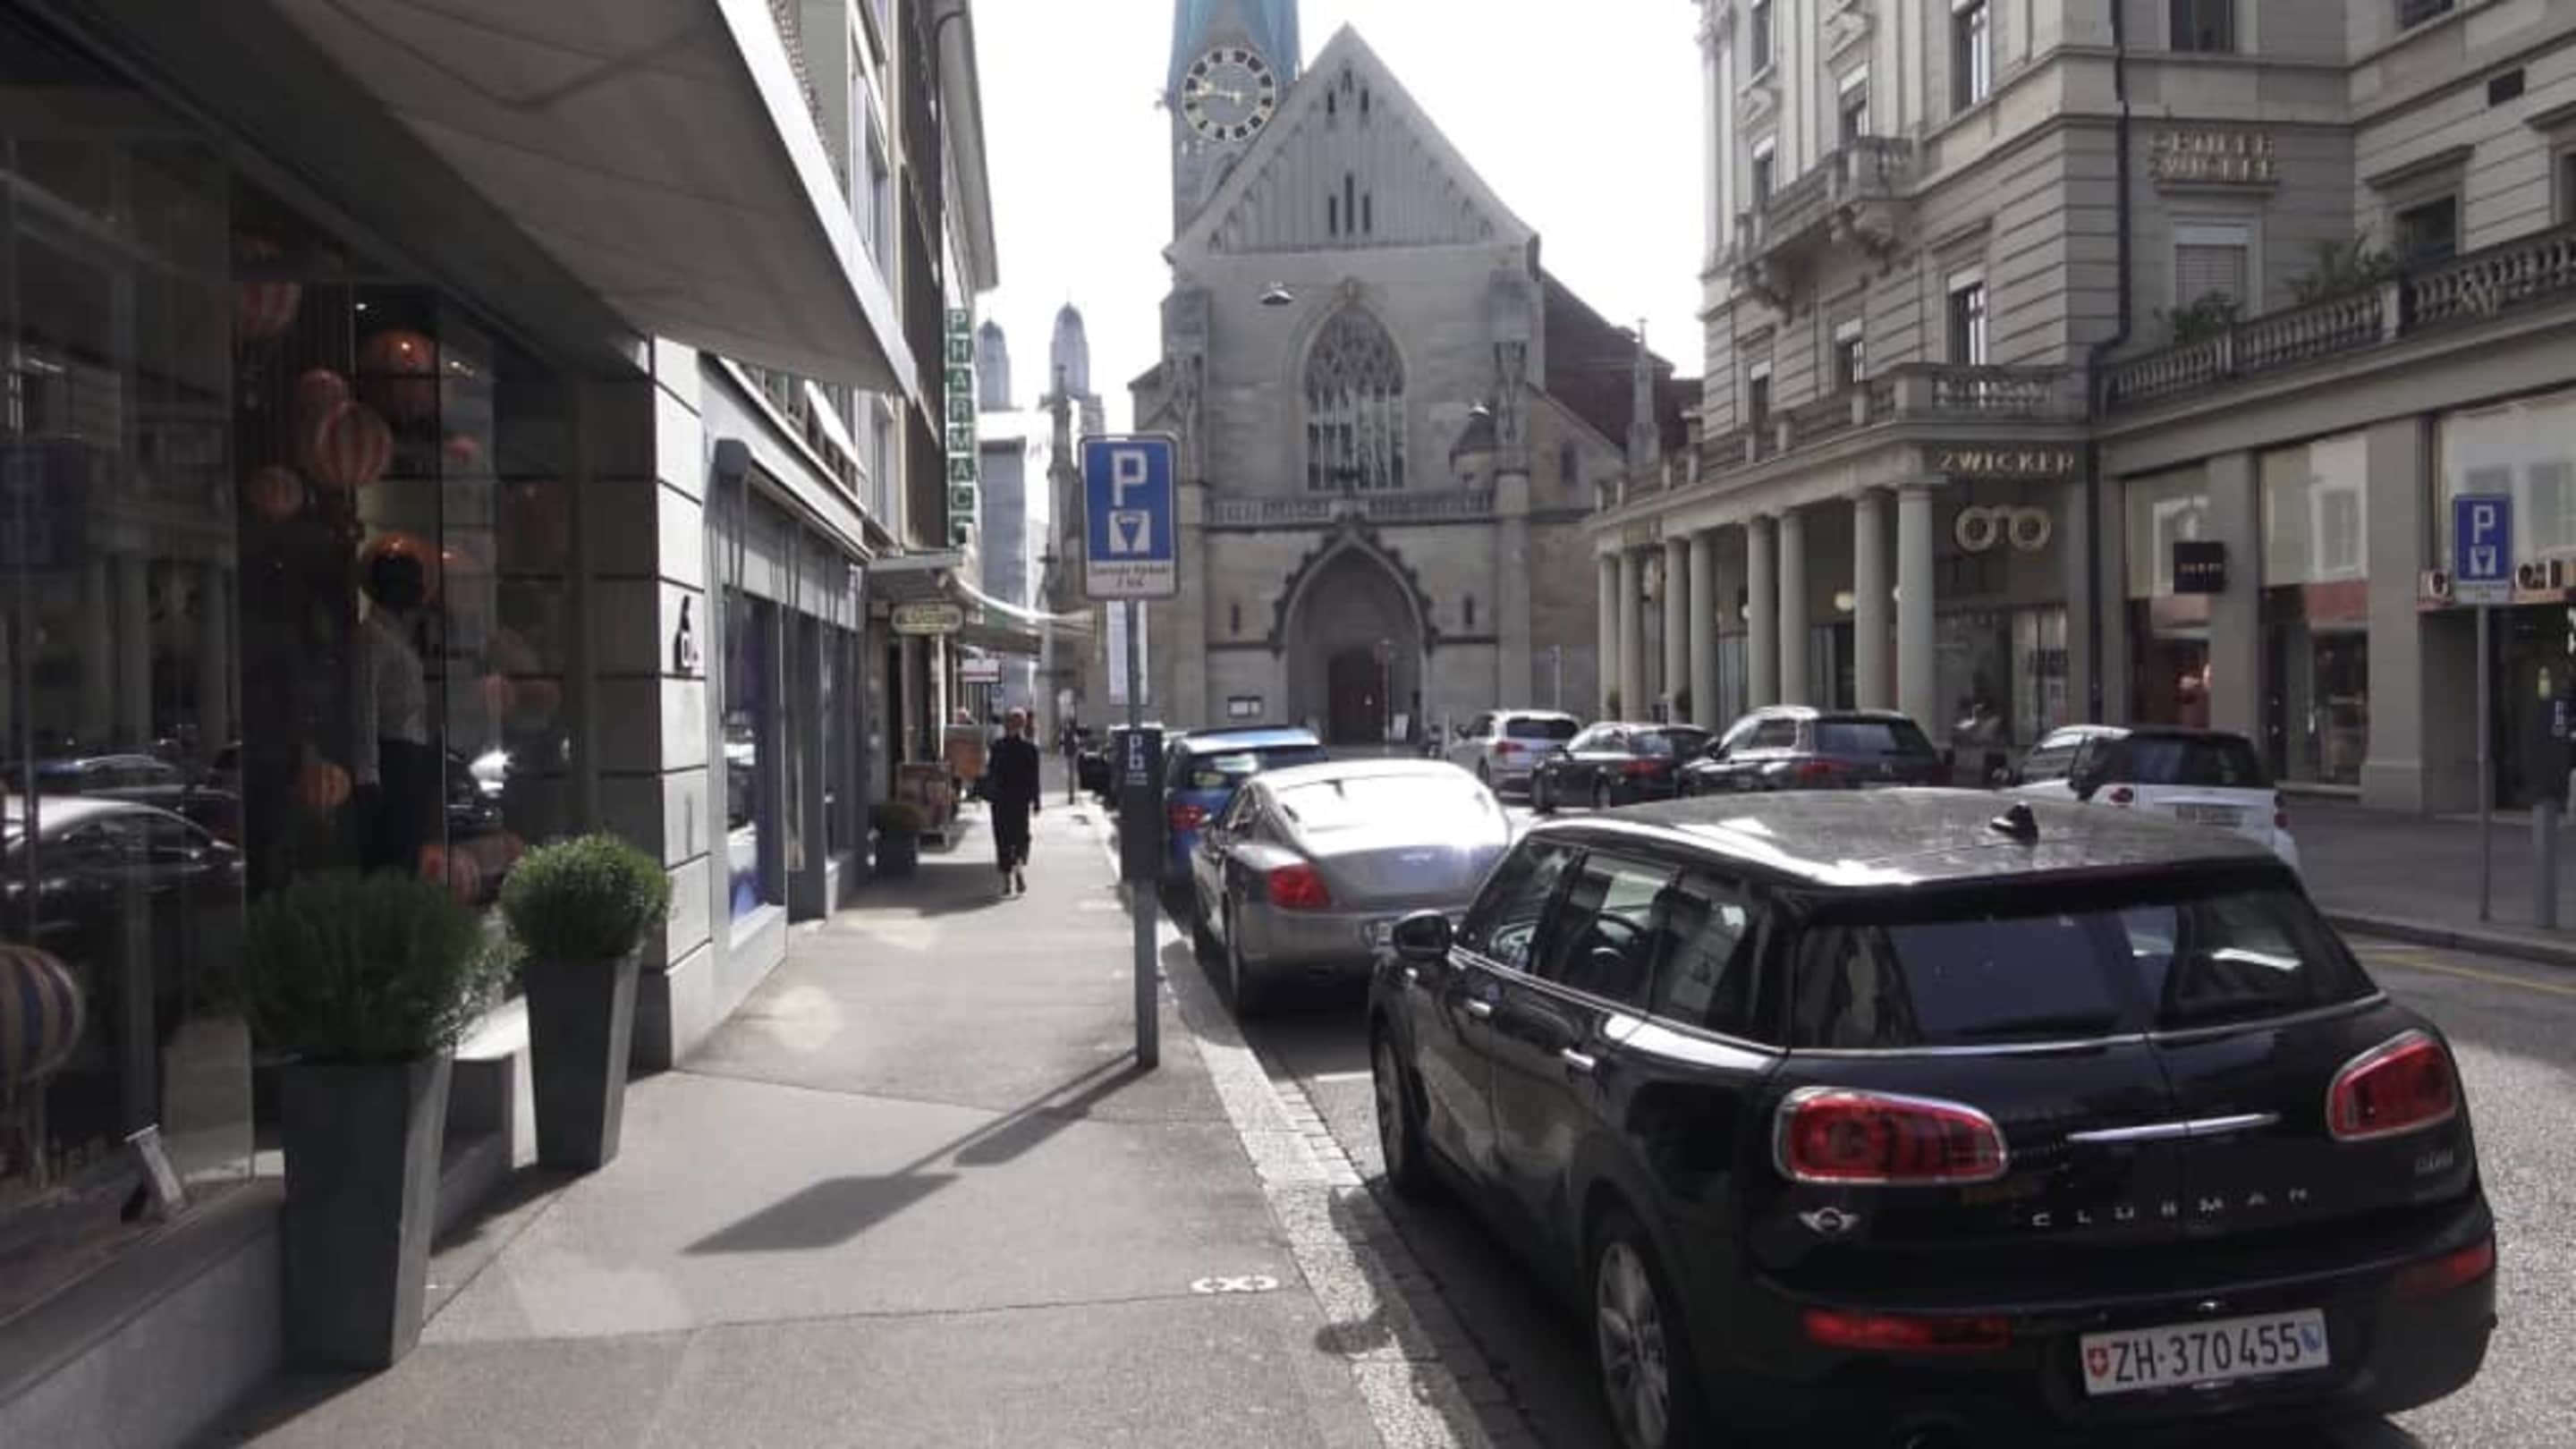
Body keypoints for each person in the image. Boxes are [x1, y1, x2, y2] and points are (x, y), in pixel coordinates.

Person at [985, 707, 1042, 897]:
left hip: (1000, 800)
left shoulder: (997, 747)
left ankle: (1006, 879)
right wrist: (1036, 801)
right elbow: (1034, 778)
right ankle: (1018, 866)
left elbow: (991, 773)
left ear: (1005, 725)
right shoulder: (1030, 749)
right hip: (1020, 801)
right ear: (1023, 725)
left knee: (1002, 837)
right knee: (1020, 836)